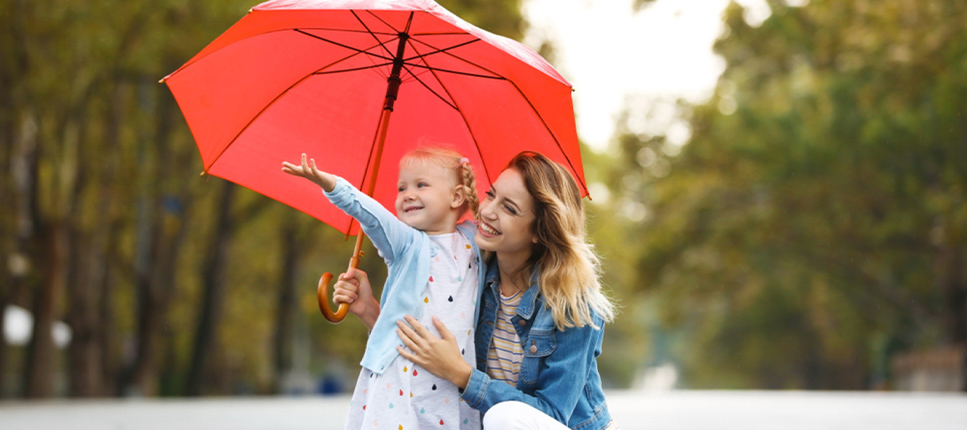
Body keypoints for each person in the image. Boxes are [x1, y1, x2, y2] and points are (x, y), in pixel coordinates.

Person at [334, 152, 619, 430]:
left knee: (504, 417)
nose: (487, 211)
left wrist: (462, 375)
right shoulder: (472, 273)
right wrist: (370, 310)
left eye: (509, 208)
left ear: (539, 231)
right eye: (491, 195)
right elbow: (428, 345)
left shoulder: (574, 305)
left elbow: (553, 414)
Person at [282, 147, 485, 430]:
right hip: (403, 380)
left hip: (452, 385)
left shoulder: (473, 240)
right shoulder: (407, 243)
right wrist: (332, 185)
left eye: (421, 185)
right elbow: (373, 216)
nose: (407, 194)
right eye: (402, 187)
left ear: (456, 196)